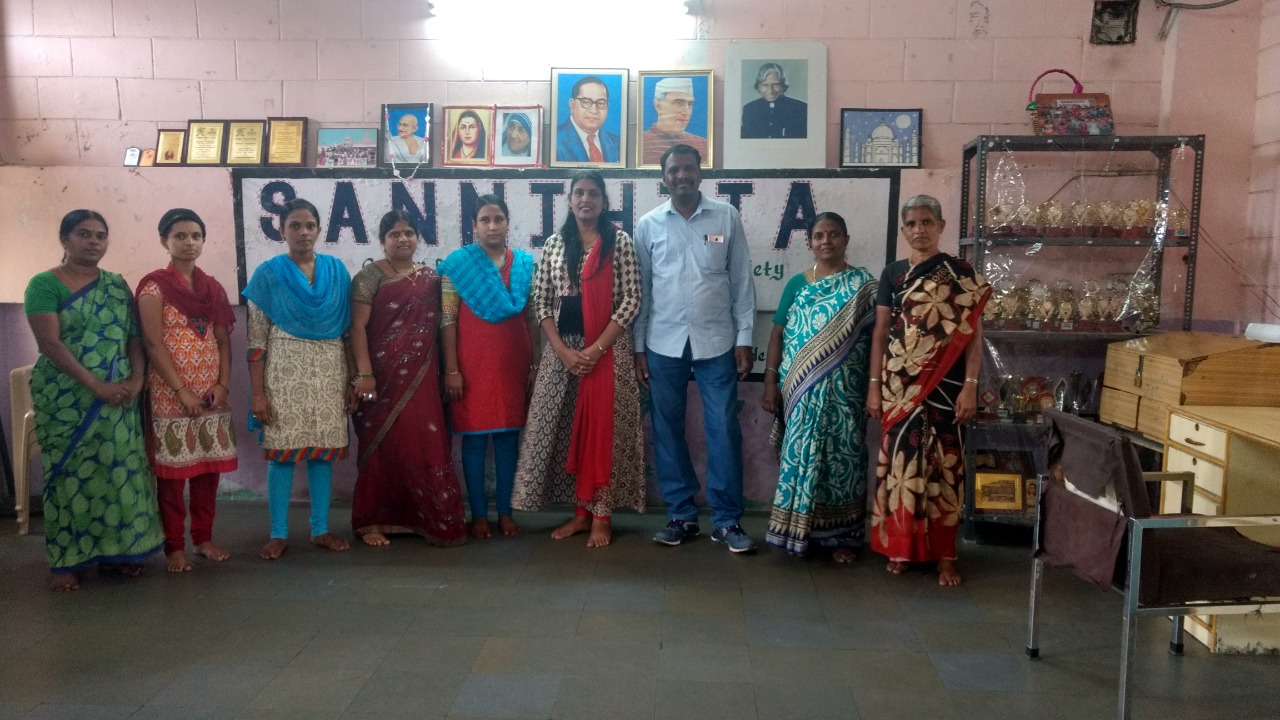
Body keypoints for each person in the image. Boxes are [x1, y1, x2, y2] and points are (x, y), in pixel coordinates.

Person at [24, 210, 163, 591]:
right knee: (69, 475)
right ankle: (67, 560)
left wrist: (137, 379)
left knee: (119, 470)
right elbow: (50, 343)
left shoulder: (116, 285)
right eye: (84, 234)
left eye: (101, 235)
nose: (94, 241)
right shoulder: (44, 285)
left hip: (119, 395)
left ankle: (120, 553)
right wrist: (95, 385)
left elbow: (134, 338)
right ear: (64, 239)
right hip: (67, 397)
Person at [634, 144, 758, 553]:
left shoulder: (726, 216)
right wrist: (638, 347)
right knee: (667, 430)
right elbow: (642, 292)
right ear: (664, 178)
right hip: (662, 343)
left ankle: (727, 520)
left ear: (700, 173)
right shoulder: (648, 225)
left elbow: (741, 282)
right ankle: (681, 515)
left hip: (717, 341)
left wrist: (744, 338)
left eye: (689, 168)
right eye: (674, 170)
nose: (682, 176)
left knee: (723, 428)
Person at [512, 171, 645, 548]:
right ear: (570, 200)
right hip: (563, 352)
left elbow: (632, 299)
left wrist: (596, 349)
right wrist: (562, 351)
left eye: (594, 193)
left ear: (603, 201)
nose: (586, 199)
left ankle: (602, 516)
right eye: (579, 193)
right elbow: (541, 301)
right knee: (568, 429)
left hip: (608, 350)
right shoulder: (555, 244)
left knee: (602, 431)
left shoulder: (619, 242)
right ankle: (581, 514)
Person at [868, 195, 991, 586]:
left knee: (945, 469)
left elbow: (974, 337)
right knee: (900, 469)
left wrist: (970, 387)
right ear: (903, 230)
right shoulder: (893, 274)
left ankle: (945, 556)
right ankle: (902, 548)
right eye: (911, 224)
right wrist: (874, 387)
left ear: (940, 226)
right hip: (899, 386)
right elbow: (881, 333)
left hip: (947, 387)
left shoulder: (961, 275)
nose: (919, 229)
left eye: (926, 222)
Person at [761, 213, 877, 563]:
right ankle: (799, 532)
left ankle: (844, 537)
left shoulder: (864, 286)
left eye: (834, 234)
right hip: (799, 391)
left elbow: (878, 339)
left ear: (846, 239)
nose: (826, 241)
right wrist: (769, 381)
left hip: (847, 392)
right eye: (819, 235)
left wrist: (875, 386)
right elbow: (778, 333)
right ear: (810, 242)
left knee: (845, 458)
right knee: (800, 456)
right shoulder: (797, 284)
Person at [348, 211, 467, 548]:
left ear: (418, 238)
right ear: (382, 241)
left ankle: (431, 518)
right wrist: (364, 374)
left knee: (426, 443)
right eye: (395, 234)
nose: (403, 239)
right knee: (382, 447)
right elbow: (357, 328)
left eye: (409, 233)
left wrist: (450, 371)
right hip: (379, 379)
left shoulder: (432, 278)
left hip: (422, 377)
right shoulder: (369, 277)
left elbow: (445, 326)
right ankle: (372, 520)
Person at [243, 198, 354, 560]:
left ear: (319, 230)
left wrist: (352, 380)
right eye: (295, 226)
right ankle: (278, 533)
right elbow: (256, 341)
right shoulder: (267, 275)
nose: (303, 232)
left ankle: (320, 529)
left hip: (329, 375)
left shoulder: (337, 272)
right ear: (281, 231)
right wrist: (258, 394)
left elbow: (348, 333)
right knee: (282, 455)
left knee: (322, 453)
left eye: (309, 226)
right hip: (283, 378)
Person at [136, 208, 237, 574]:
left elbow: (223, 340)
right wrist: (181, 391)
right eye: (180, 235)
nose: (189, 242)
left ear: (204, 240)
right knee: (172, 476)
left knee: (208, 471)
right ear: (164, 241)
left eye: (196, 235)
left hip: (211, 394)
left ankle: (203, 539)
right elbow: (152, 343)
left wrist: (222, 384)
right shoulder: (154, 287)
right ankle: (174, 547)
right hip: (170, 394)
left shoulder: (212, 287)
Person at [438, 195, 537, 539]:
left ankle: (506, 512)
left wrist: (535, 365)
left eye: (498, 219)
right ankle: (479, 514)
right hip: (471, 367)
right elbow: (447, 320)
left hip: (513, 365)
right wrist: (452, 370)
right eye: (485, 220)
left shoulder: (525, 265)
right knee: (475, 442)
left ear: (508, 223)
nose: (492, 226)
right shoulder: (457, 266)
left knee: (509, 440)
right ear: (474, 225)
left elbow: (533, 318)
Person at [640, 76, 709, 166]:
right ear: (658, 106)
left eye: (690, 104)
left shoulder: (702, 145)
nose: (686, 112)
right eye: (678, 103)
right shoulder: (642, 143)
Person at [555, 75, 621, 164]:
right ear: (572, 105)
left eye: (601, 103)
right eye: (586, 102)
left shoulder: (618, 143)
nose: (594, 111)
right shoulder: (554, 140)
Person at [740, 62, 808, 139]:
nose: (770, 91)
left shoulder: (800, 108)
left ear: (783, 85)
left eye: (775, 85)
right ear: (758, 87)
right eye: (765, 85)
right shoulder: (749, 109)